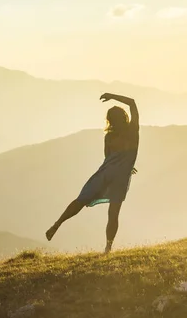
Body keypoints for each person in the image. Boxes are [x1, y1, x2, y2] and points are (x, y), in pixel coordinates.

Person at [45, 92, 140, 254]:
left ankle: (57, 223)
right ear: (124, 117)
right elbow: (132, 102)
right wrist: (112, 95)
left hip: (104, 173)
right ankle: (108, 247)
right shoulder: (132, 132)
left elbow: (108, 157)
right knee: (113, 213)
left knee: (81, 199)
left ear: (110, 120)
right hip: (121, 177)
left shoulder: (109, 137)